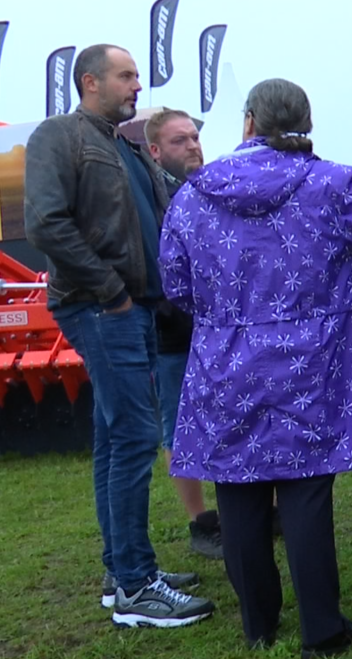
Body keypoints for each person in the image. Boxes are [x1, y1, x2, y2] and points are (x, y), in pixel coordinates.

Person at [157, 77, 352, 655]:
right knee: (305, 492)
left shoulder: (193, 195)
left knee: (238, 493)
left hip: (227, 364)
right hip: (312, 363)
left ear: (248, 122)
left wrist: (228, 319)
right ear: (306, 123)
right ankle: (321, 629)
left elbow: (175, 283)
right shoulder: (329, 185)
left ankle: (259, 627)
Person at [23, 43, 215, 628]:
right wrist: (112, 290)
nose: (137, 84)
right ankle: (136, 586)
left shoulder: (120, 144)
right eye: (125, 75)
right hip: (102, 308)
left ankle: (120, 572)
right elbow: (46, 223)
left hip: (131, 310)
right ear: (90, 81)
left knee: (114, 437)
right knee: (133, 437)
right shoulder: (60, 135)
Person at [143, 108, 223, 560]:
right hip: (174, 333)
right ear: (155, 151)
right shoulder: (155, 196)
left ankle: (258, 508)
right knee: (179, 428)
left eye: (193, 136)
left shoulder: (210, 188)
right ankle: (201, 523)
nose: (192, 145)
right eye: (179, 140)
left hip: (217, 328)